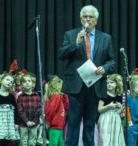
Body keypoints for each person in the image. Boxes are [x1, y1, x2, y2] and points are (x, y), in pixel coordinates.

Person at [58, 5, 116, 145]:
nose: (88, 19)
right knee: (73, 125)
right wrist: (76, 44)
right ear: (80, 19)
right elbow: (61, 54)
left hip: (95, 85)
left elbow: (112, 61)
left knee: (90, 125)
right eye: (85, 17)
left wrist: (105, 68)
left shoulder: (106, 38)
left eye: (91, 17)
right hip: (76, 86)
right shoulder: (71, 35)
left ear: (96, 20)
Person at [0, 73, 20, 145]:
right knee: (0, 141)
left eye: (11, 82)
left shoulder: (11, 96)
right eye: (7, 80)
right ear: (1, 80)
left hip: (9, 122)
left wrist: (16, 123)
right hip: (0, 122)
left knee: (8, 142)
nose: (9, 82)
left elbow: (15, 111)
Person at [98, 74, 125, 146]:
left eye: (111, 82)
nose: (109, 84)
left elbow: (120, 112)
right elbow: (100, 109)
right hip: (106, 119)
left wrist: (121, 108)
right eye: (107, 83)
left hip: (116, 119)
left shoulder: (119, 97)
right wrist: (109, 106)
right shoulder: (104, 95)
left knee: (115, 139)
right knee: (106, 138)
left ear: (116, 84)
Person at [44, 75, 69, 146]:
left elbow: (67, 106)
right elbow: (51, 109)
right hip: (55, 126)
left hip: (59, 126)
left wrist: (65, 96)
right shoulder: (56, 96)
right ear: (57, 86)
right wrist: (48, 121)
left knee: (59, 143)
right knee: (54, 143)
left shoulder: (59, 97)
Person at [17, 74, 41, 146]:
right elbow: (20, 110)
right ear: (21, 85)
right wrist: (26, 121)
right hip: (23, 124)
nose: (27, 83)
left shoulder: (37, 96)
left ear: (32, 83)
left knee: (32, 142)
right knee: (23, 142)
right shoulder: (20, 96)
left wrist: (34, 121)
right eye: (24, 82)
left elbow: (39, 109)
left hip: (34, 124)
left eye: (29, 81)